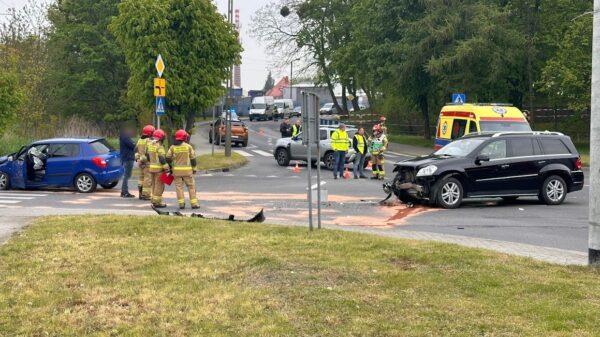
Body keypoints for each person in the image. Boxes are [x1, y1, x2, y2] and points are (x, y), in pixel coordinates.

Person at [167, 130, 199, 210]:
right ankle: (194, 203)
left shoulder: (172, 147)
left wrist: (171, 166)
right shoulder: (188, 147)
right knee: (191, 187)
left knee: (179, 187)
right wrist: (194, 168)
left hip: (177, 172)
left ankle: (181, 204)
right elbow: (193, 159)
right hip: (187, 172)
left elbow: (167, 158)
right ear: (184, 137)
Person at [147, 129, 169, 208]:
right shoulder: (159, 146)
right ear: (161, 138)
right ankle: (157, 202)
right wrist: (166, 167)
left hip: (152, 168)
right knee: (159, 186)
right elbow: (161, 158)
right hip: (159, 169)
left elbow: (147, 156)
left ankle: (153, 199)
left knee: (154, 185)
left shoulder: (150, 145)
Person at [135, 125, 155, 200]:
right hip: (147, 162)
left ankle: (140, 194)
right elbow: (148, 152)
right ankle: (146, 195)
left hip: (140, 162)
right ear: (150, 133)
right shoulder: (149, 141)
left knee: (141, 178)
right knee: (148, 178)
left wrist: (138, 160)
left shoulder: (140, 140)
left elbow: (136, 150)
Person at [119, 126, 136, 198]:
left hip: (127, 158)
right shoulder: (125, 137)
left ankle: (124, 191)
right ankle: (125, 192)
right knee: (127, 175)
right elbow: (133, 145)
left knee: (126, 175)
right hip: (128, 158)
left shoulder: (124, 137)